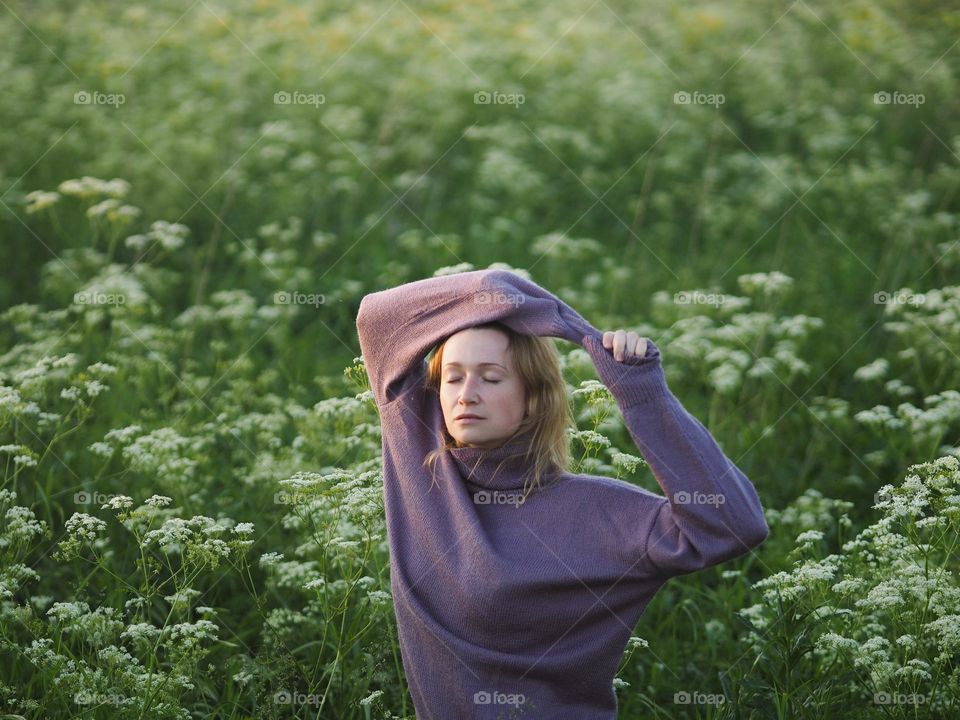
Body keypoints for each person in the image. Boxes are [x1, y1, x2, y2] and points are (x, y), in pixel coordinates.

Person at [355, 268, 769, 719]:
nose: (466, 395)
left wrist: (642, 393)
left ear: (535, 396)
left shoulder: (599, 512)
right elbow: (380, 317)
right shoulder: (419, 469)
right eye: (453, 378)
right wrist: (560, 319)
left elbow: (733, 526)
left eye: (491, 378)